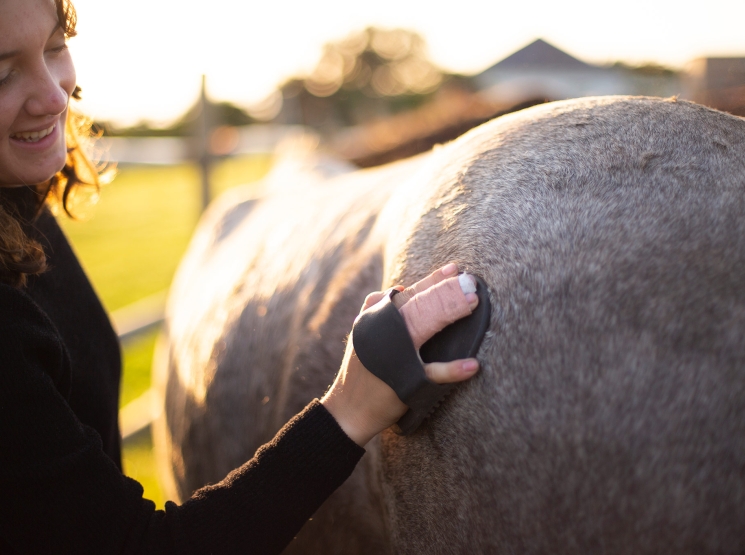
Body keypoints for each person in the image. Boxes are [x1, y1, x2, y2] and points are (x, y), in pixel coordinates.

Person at [0, 0, 481, 553]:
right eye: (3, 72)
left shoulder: (21, 211)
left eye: (56, 47)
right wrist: (352, 405)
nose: (55, 96)